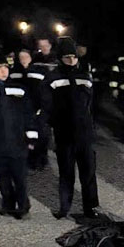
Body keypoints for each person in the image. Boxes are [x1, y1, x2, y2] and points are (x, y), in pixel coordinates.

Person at [40, 38, 100, 219]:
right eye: (67, 57)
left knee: (88, 172)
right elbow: (46, 105)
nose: (72, 60)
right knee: (66, 173)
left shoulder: (85, 76)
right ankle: (64, 207)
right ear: (60, 58)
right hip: (64, 133)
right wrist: (48, 126)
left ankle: (91, 208)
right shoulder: (52, 78)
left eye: (74, 57)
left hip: (84, 133)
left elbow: (92, 103)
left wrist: (91, 125)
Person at [0, 53, 37, 218]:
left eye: (6, 68)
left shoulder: (19, 88)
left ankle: (23, 206)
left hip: (18, 141)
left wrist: (31, 136)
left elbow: (28, 113)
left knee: (20, 176)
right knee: (2, 176)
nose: (4, 71)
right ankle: (8, 204)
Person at [13, 49, 50, 169]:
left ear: (31, 57)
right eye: (21, 57)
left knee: (42, 135)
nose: (23, 59)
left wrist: (43, 106)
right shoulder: (14, 72)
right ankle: (27, 159)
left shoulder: (40, 71)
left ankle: (40, 160)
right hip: (22, 109)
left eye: (26, 56)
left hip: (39, 108)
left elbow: (46, 90)